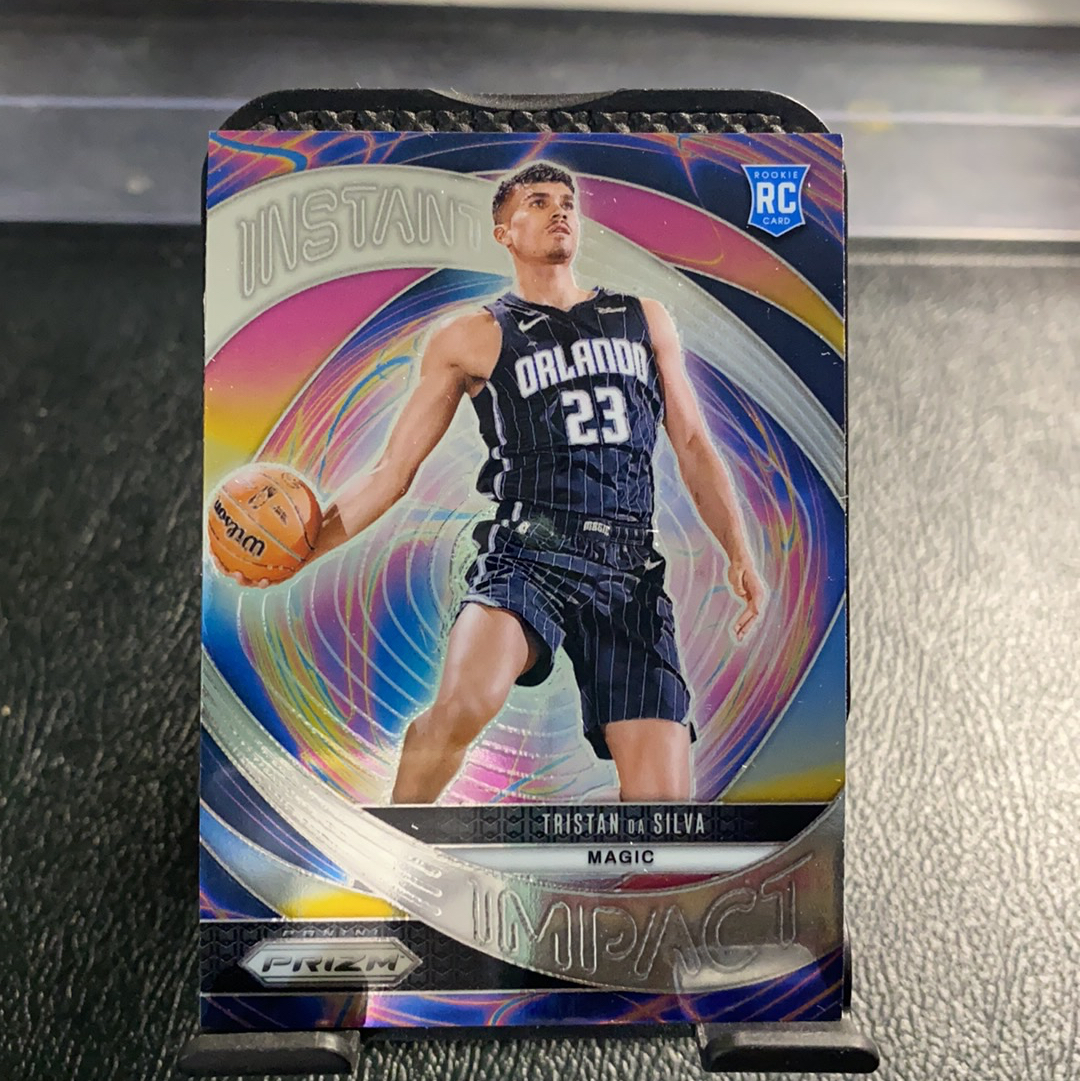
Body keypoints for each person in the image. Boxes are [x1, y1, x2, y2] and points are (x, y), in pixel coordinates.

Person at [225, 162, 765, 804]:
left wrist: (737, 549)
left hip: (628, 568)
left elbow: (694, 445)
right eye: (538, 202)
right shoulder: (471, 336)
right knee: (466, 702)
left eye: (567, 202)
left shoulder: (643, 318)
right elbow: (391, 471)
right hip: (530, 551)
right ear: (504, 232)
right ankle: (399, 835)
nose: (560, 211)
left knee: (662, 805)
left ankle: (592, 866)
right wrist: (300, 550)